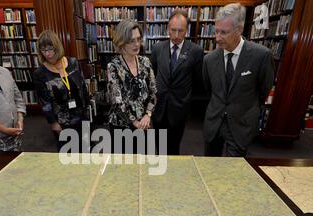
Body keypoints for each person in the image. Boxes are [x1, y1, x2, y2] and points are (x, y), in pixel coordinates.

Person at [203, 3, 274, 157]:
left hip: (241, 125)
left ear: (239, 29)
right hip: (214, 122)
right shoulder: (209, 59)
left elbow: (263, 90)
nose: (217, 38)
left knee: (233, 173)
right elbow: (209, 90)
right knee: (209, 167)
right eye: (216, 31)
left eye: (224, 32)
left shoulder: (261, 56)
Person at [151, 10, 204, 155]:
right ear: (167, 29)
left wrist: (187, 100)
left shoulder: (196, 51)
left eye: (180, 31)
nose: (176, 35)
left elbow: (198, 82)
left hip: (180, 108)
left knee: (174, 148)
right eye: (173, 30)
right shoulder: (157, 49)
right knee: (159, 147)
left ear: (186, 30)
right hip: (159, 107)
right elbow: (153, 75)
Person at [33, 30, 88, 151]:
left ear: (57, 47)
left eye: (50, 48)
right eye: (43, 50)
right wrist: (53, 123)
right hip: (62, 123)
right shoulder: (40, 73)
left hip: (81, 117)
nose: (47, 54)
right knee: (68, 156)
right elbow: (45, 103)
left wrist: (87, 112)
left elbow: (83, 87)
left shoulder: (73, 63)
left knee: (86, 152)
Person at [108, 19, 157, 154]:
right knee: (125, 168)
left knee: (144, 164)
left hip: (144, 124)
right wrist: (135, 122)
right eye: (131, 41)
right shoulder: (113, 66)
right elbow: (118, 101)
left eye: (139, 39)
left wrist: (148, 115)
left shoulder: (145, 62)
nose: (137, 44)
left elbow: (153, 92)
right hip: (122, 126)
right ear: (122, 42)